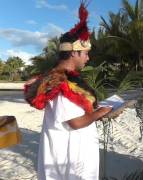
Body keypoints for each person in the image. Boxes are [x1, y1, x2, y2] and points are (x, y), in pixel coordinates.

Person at [24, 3, 115, 180]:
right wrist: (99, 113)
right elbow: (75, 122)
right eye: (86, 53)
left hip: (74, 155)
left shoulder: (65, 78)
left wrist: (100, 113)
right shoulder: (60, 83)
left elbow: (78, 114)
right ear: (74, 53)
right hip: (70, 160)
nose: (88, 58)